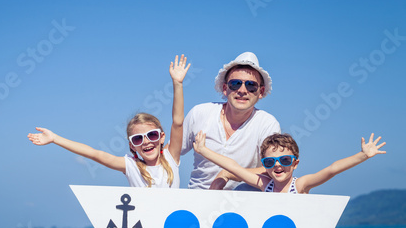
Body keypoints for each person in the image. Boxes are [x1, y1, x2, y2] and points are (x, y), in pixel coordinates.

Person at [27, 55, 191, 188]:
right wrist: (55, 138)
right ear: (132, 145)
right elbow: (94, 154)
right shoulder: (131, 166)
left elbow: (177, 122)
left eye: (152, 135)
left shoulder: (171, 156)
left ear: (162, 137)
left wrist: (177, 84)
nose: (146, 141)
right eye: (138, 138)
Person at [181, 51, 280, 190]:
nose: (243, 90)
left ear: (261, 92)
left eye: (251, 85)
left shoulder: (267, 124)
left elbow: (274, 168)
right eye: (235, 83)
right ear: (224, 88)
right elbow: (171, 154)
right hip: (197, 202)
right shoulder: (200, 113)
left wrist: (229, 173)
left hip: (243, 205)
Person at [193, 132, 386, 193]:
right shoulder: (265, 184)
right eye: (270, 162)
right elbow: (232, 166)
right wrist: (203, 150)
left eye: (285, 160)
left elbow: (331, 170)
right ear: (265, 164)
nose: (278, 165)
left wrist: (362, 156)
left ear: (295, 163)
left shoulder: (300, 185)